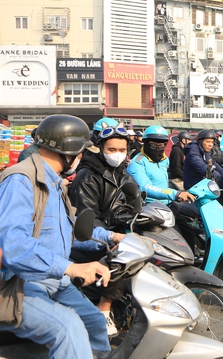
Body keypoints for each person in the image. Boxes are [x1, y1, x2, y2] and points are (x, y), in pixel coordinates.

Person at [0, 114, 111, 359]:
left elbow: (71, 232)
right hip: (18, 284)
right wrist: (71, 268)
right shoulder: (21, 181)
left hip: (53, 281)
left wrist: (112, 238)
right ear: (69, 152)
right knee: (67, 327)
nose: (81, 158)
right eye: (81, 152)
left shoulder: (56, 184)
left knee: (94, 321)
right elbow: (14, 246)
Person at [69, 125, 132, 337]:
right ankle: (104, 309)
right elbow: (88, 215)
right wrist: (110, 233)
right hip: (91, 234)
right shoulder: (89, 175)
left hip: (113, 228)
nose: (117, 154)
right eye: (112, 150)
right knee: (120, 257)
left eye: (121, 150)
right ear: (100, 148)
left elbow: (132, 196)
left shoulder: (120, 171)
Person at [127, 125, 194, 205]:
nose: (157, 149)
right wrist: (175, 194)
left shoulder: (163, 159)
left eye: (161, 146)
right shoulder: (137, 162)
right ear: (145, 143)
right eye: (153, 145)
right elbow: (144, 187)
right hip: (150, 207)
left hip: (167, 202)